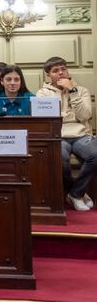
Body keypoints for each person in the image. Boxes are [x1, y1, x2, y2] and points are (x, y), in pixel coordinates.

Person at [36, 56, 96, 212]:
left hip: (81, 135)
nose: (60, 73)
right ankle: (77, 192)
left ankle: (75, 193)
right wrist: (70, 115)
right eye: (55, 71)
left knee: (95, 155)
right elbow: (45, 118)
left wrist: (72, 91)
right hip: (58, 136)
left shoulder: (81, 90)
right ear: (49, 75)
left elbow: (85, 115)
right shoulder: (42, 94)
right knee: (60, 158)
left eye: (63, 69)